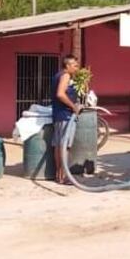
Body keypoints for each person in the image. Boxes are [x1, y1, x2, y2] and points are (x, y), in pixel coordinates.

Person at [52, 54, 82, 184]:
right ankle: (63, 176)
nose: (77, 68)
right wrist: (74, 106)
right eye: (75, 65)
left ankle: (59, 176)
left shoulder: (57, 76)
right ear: (68, 65)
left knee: (59, 146)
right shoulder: (65, 76)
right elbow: (60, 94)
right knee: (65, 146)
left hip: (58, 115)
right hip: (66, 115)